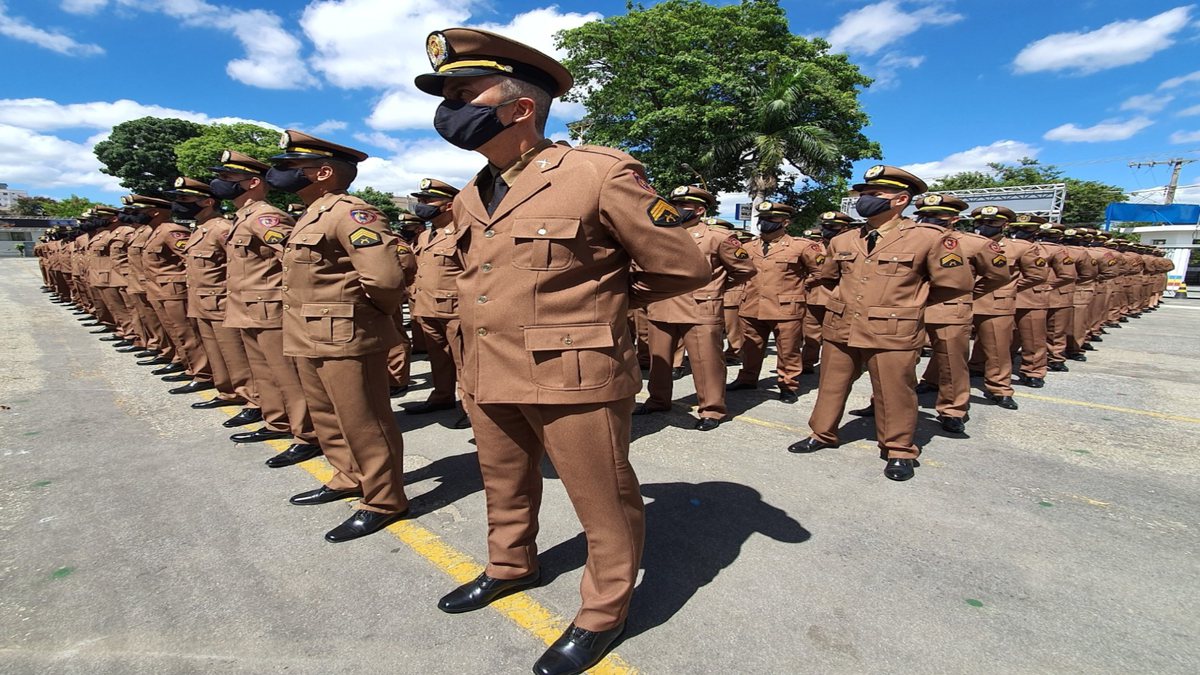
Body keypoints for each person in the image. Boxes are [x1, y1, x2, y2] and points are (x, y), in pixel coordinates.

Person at [415, 27, 709, 675]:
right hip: (488, 366)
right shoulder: (470, 194)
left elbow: (682, 266)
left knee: (600, 496)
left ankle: (603, 611)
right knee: (504, 483)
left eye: (465, 92)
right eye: (447, 95)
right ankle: (510, 564)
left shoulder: (597, 174)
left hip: (575, 371)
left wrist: (598, 306)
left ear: (520, 108)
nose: (450, 107)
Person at [269, 130, 410, 543]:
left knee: (365, 421)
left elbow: (384, 277)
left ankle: (385, 500)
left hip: (346, 333)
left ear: (324, 173)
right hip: (309, 332)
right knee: (328, 414)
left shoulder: (351, 213)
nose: (285, 176)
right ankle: (348, 475)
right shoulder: (311, 214)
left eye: (296, 169)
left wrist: (376, 316)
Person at [790, 165, 969, 482]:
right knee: (831, 386)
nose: (865, 200)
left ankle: (899, 450)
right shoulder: (845, 239)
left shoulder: (929, 238)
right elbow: (828, 276)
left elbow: (953, 284)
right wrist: (844, 301)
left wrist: (908, 304)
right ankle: (822, 434)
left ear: (900, 199)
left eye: (875, 194)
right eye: (864, 194)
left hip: (893, 330)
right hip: (841, 325)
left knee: (894, 393)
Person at [212, 150, 322, 467]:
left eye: (229, 178)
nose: (221, 183)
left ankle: (308, 435)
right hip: (247, 308)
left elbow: (296, 258)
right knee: (264, 373)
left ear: (252, 183)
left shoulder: (264, 217)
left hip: (270, 309)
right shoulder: (242, 218)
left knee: (288, 377)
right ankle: (277, 421)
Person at [636, 185, 755, 430]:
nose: (676, 210)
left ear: (699, 210)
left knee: (706, 362)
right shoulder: (660, 233)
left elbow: (745, 270)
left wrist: (714, 286)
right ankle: (658, 400)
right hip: (662, 305)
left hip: (700, 307)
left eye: (683, 206)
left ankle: (712, 409)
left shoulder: (717, 237)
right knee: (659, 360)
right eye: (675, 204)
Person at [911, 194, 1008, 433]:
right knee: (896, 362)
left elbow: (998, 275)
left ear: (953, 219)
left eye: (936, 216)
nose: (929, 220)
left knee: (951, 362)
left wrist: (969, 292)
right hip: (908, 308)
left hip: (949, 309)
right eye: (925, 215)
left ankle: (953, 410)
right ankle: (882, 403)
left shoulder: (973, 243)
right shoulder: (908, 239)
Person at [167, 177, 256, 402]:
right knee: (216, 353)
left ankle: (249, 396)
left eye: (186, 198)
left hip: (222, 301)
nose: (180, 203)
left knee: (235, 354)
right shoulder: (200, 230)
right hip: (203, 302)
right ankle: (227, 391)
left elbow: (241, 264)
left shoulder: (222, 229)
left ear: (207, 202)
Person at [726, 201, 822, 403]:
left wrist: (800, 287)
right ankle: (747, 378)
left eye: (772, 218)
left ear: (785, 222)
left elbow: (820, 272)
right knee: (750, 347)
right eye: (763, 218)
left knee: (788, 349)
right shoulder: (748, 246)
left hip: (786, 308)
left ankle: (788, 385)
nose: (765, 222)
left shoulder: (801, 246)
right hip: (751, 305)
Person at [966, 205, 1047, 410]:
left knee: (997, 350)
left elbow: (1036, 275)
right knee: (949, 348)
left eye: (992, 222)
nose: (985, 226)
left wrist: (1009, 288)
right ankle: (934, 381)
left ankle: (999, 389)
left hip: (995, 303)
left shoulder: (1019, 247)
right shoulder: (966, 243)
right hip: (961, 301)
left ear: (1005, 224)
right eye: (981, 222)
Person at [404, 179, 470, 420]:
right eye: (420, 201)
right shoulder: (424, 236)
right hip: (427, 308)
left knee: (465, 362)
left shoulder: (463, 232)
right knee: (438, 358)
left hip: (455, 310)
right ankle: (442, 397)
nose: (421, 205)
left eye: (428, 200)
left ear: (449, 205)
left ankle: (470, 407)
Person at [1008, 214, 1052, 388]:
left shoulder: (1042, 250)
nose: (1020, 232)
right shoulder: (1002, 246)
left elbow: (1038, 276)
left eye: (1027, 228)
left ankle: (1033, 370)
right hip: (1002, 299)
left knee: (1033, 337)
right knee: (1001, 338)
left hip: (1031, 297)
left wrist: (1009, 285)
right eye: (1016, 228)